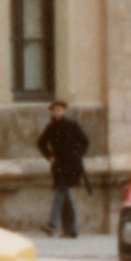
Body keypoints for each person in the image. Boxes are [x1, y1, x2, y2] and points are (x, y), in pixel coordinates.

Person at [36, 101, 90, 239]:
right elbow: (41, 143)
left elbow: (84, 141)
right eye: (55, 110)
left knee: (61, 191)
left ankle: (51, 224)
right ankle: (71, 229)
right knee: (65, 195)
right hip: (59, 164)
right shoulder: (51, 127)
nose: (57, 112)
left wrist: (78, 155)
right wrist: (49, 156)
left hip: (72, 165)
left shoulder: (72, 125)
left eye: (59, 109)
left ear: (64, 111)